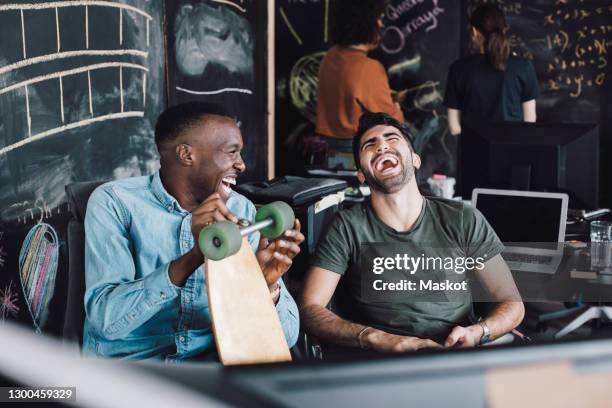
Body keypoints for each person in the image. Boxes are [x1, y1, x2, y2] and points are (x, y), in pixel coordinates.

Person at [83, 102, 303, 361]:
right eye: (232, 152)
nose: (242, 165)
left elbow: (287, 337)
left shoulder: (241, 210)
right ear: (187, 155)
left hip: (210, 368)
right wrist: (194, 256)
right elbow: (106, 322)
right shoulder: (115, 202)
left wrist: (266, 286)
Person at [300, 112, 524, 353]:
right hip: (385, 362)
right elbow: (310, 309)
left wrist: (478, 332)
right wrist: (378, 338)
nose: (382, 146)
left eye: (392, 138)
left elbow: (512, 302)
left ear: (416, 160)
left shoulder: (461, 218)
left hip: (456, 352)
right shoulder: (346, 227)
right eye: (370, 144)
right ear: (362, 175)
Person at [315, 0, 404, 142]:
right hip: (358, 151)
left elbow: (348, 96)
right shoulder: (368, 68)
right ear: (365, 24)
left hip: (328, 150)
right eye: (378, 19)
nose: (381, 24)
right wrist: (397, 106)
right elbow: (390, 120)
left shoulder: (330, 56)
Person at [444, 4, 539, 136]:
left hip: (473, 151)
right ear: (504, 30)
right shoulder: (524, 67)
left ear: (474, 32)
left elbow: (454, 128)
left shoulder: (458, 68)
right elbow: (530, 120)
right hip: (513, 151)